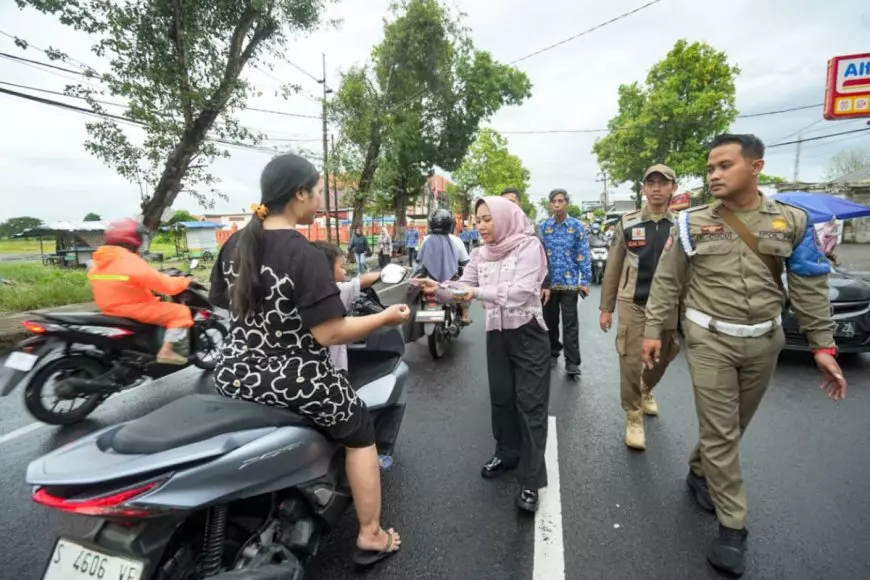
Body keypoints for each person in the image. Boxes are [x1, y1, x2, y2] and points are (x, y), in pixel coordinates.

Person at [641, 134, 847, 577]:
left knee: (733, 425)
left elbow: (810, 286)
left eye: (724, 166)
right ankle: (733, 528)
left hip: (765, 341)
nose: (714, 175)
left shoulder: (792, 222)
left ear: (756, 167)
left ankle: (700, 470)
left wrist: (823, 346)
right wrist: (654, 329)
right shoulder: (690, 223)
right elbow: (668, 280)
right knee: (721, 430)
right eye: (710, 168)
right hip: (709, 339)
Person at [209, 153, 410, 567]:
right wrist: (386, 317)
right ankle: (371, 534)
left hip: (233, 372)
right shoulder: (302, 253)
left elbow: (224, 306)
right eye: (318, 192)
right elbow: (330, 333)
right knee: (360, 429)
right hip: (295, 376)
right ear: (300, 194)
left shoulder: (234, 243)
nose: (320, 200)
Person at [412, 196, 550, 513]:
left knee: (530, 405)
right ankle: (506, 453)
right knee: (501, 398)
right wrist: (437, 287)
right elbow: (461, 287)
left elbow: (521, 292)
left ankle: (530, 479)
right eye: (478, 220)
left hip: (528, 334)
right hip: (496, 335)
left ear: (505, 218)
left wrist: (475, 293)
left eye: (488, 219)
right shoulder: (479, 254)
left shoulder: (528, 247)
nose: (482, 226)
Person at [599, 164, 679, 450]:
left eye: (663, 183)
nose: (657, 188)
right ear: (644, 189)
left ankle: (646, 388)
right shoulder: (628, 223)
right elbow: (613, 267)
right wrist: (606, 307)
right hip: (632, 301)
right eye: (651, 183)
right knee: (631, 359)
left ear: (673, 188)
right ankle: (634, 415)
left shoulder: (682, 225)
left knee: (665, 354)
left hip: (667, 304)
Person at [88, 218, 194, 365]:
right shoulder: (129, 260)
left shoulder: (99, 260)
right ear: (131, 239)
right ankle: (167, 352)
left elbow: (123, 284)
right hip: (133, 308)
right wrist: (185, 281)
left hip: (109, 309)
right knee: (180, 312)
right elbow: (167, 286)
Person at [539, 188, 592, 376]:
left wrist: (585, 280)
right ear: (550, 204)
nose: (557, 204)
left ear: (567, 203)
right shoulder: (544, 227)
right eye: (554, 201)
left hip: (570, 283)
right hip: (549, 284)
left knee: (570, 324)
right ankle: (552, 351)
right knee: (549, 322)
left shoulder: (577, 226)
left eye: (560, 201)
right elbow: (539, 255)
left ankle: (572, 361)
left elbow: (583, 253)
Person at [310, 241, 382, 375]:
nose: (345, 271)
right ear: (325, 269)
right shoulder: (334, 291)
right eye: (341, 266)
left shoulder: (305, 291)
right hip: (333, 368)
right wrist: (385, 317)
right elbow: (362, 282)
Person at [418, 209, 471, 324]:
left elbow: (420, 260)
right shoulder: (456, 240)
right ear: (451, 225)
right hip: (451, 280)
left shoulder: (426, 240)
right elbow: (466, 261)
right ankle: (465, 315)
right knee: (466, 290)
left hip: (429, 281)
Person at [501, 187, 551, 306]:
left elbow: (543, 256)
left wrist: (546, 284)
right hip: (503, 290)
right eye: (503, 203)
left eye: (511, 202)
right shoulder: (498, 228)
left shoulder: (530, 228)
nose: (507, 206)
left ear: (520, 205)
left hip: (528, 289)